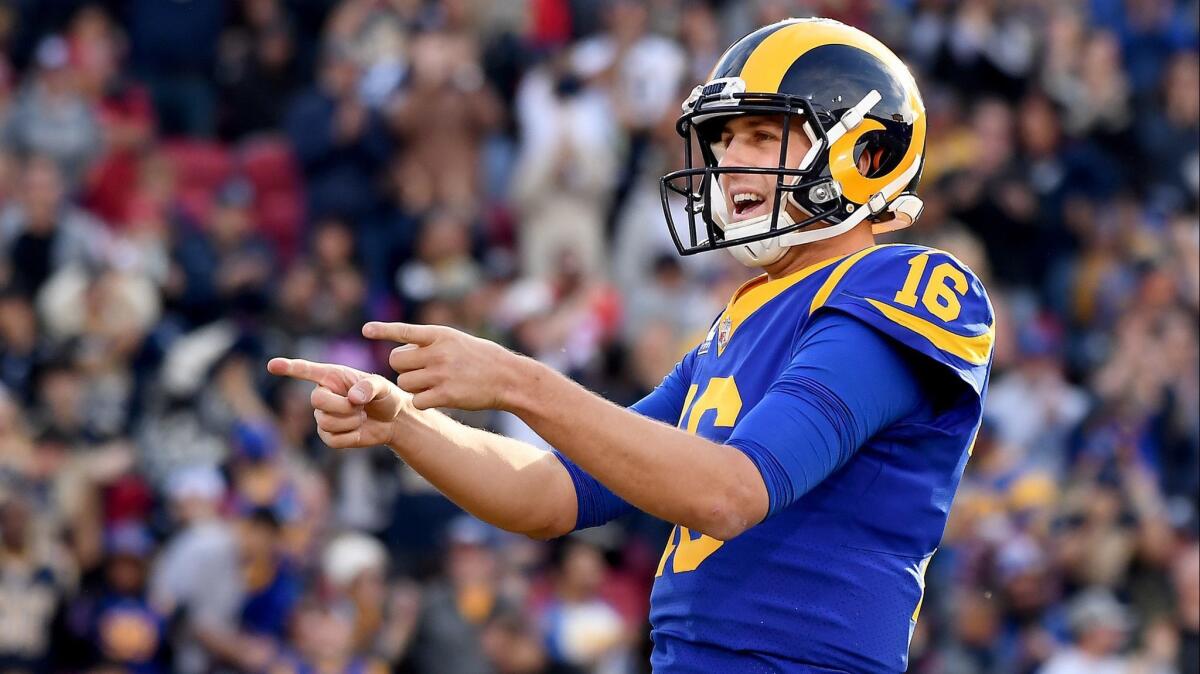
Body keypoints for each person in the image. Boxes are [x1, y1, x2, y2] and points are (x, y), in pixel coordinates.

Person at [269, 18, 995, 672]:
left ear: (866, 152)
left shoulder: (904, 282)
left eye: (762, 135)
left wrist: (522, 383)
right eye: (723, 139)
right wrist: (405, 422)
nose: (731, 161)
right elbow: (551, 494)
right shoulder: (741, 319)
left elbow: (730, 491)